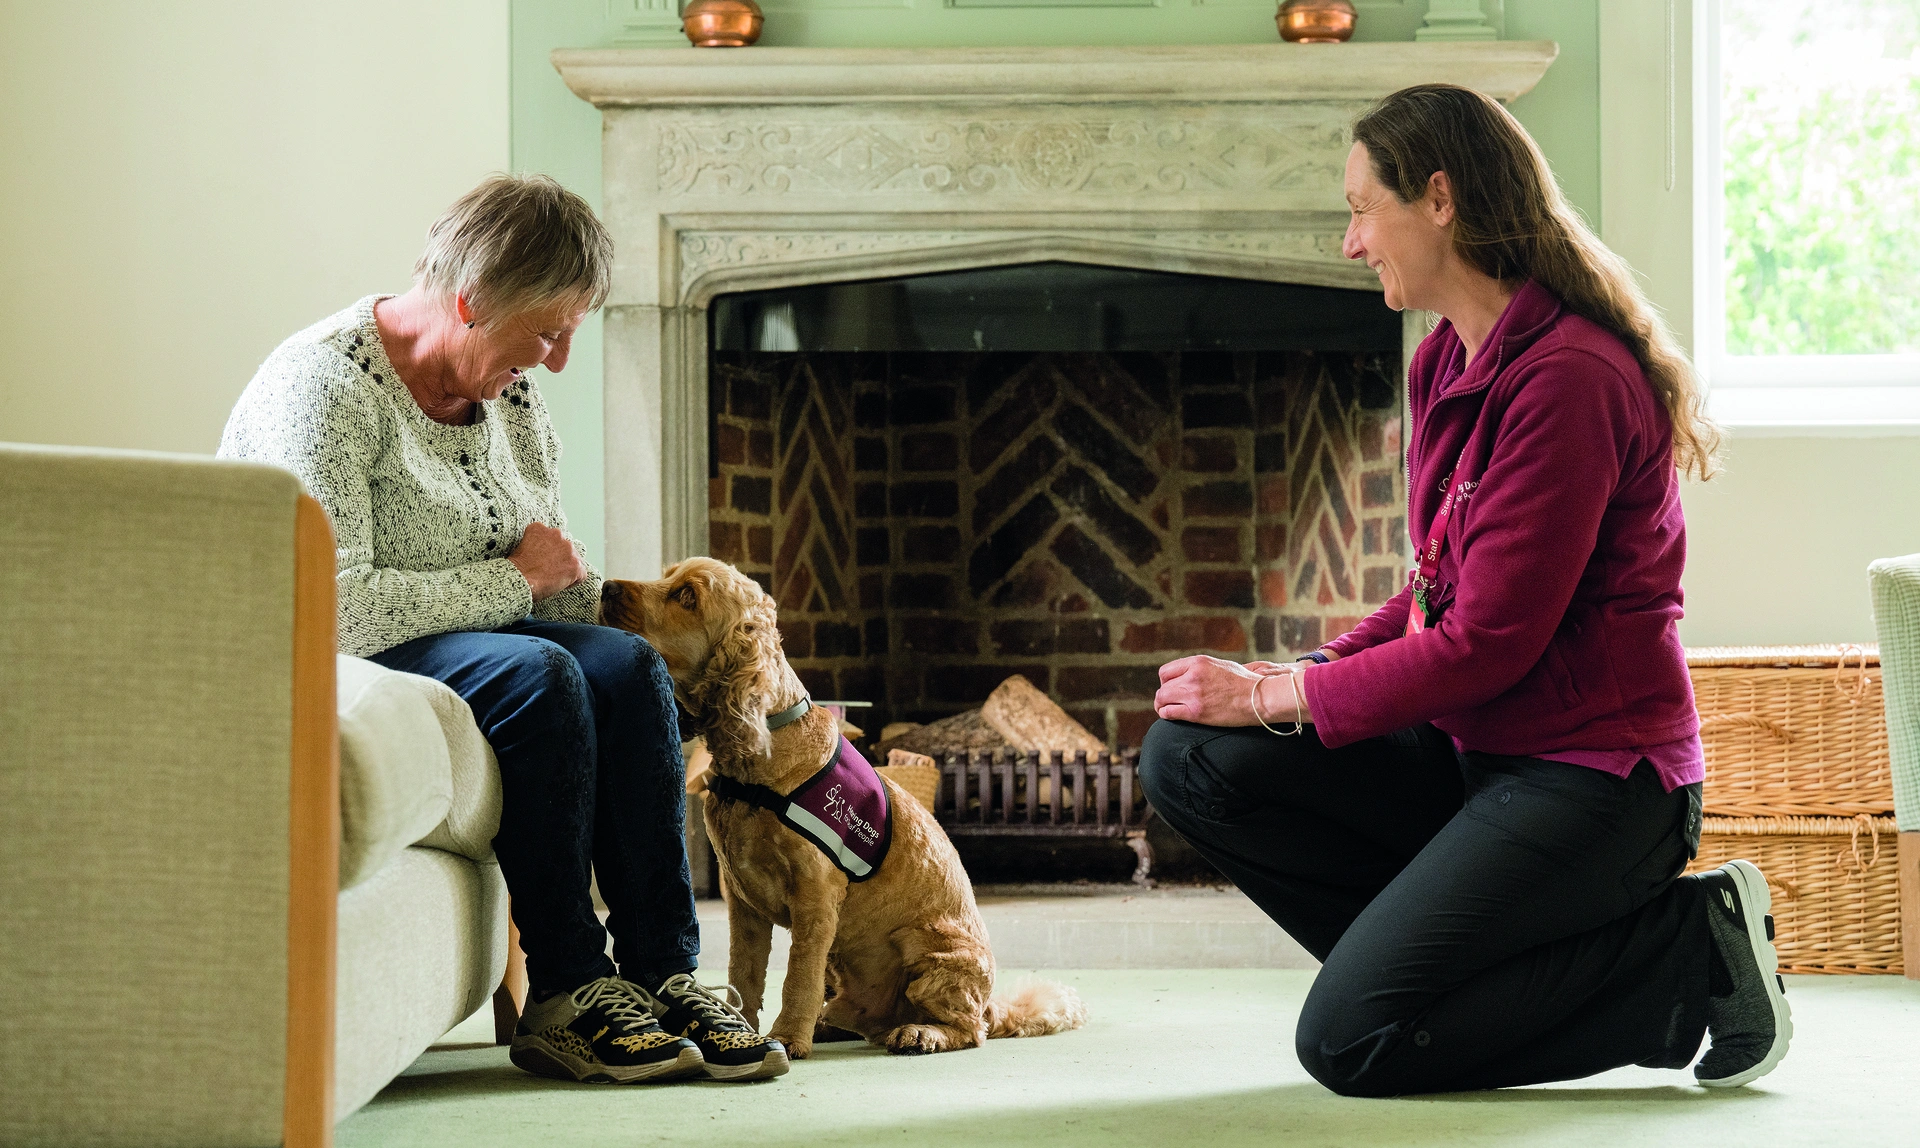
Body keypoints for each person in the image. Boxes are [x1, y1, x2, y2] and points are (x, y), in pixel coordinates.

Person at [1141, 85, 1790, 1097]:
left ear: (1437, 198)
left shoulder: (1570, 377)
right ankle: (1431, 972)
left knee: (1350, 1042)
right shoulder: (1448, 358)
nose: (1351, 242)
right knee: (1191, 754)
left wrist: (1279, 697)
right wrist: (1298, 674)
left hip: (1596, 784)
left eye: (1363, 207)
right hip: (1475, 758)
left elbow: (1486, 642)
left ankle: (1686, 950)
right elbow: (1433, 592)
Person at [220, 174, 787, 1084]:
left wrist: (591, 597)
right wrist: (514, 579)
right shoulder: (324, 388)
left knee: (626, 668)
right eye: (549, 332)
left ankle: (665, 973)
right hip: (338, 644)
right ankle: (566, 992)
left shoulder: (510, 394)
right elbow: (338, 606)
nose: (558, 360)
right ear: (472, 301)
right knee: (541, 677)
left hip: (470, 631)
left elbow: (547, 589)